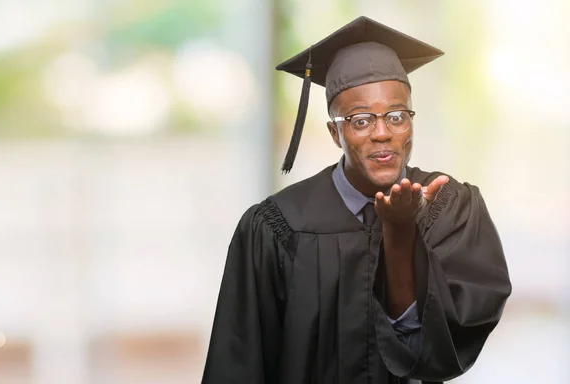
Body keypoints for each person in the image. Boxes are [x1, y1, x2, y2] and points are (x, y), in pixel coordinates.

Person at [202, 16, 511, 384]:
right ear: (335, 132)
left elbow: (441, 348)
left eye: (397, 116)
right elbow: (239, 363)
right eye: (361, 120)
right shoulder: (277, 226)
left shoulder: (449, 209)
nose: (383, 133)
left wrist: (402, 230)